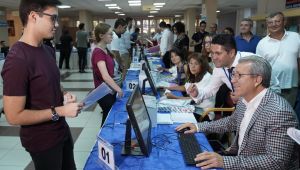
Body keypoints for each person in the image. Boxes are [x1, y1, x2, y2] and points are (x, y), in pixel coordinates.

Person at [176, 56, 299, 169]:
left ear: (257, 80)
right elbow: (232, 122)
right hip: (240, 160)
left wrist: (224, 162)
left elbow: (276, 161)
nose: (233, 80)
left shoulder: (279, 112)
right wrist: (198, 126)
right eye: (233, 74)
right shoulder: (245, 99)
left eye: (238, 75)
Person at [1, 0, 83, 169]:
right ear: (33, 16)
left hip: (61, 132)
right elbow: (13, 116)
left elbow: (50, 83)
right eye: (53, 18)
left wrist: (63, 94)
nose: (57, 24)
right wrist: (59, 111)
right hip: (42, 141)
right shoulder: (18, 59)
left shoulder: (47, 50)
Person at [187, 34, 254, 105]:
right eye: (212, 53)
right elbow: (210, 90)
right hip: (241, 108)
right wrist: (197, 93)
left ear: (231, 53)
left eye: (218, 53)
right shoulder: (218, 69)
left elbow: (264, 91)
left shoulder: (252, 61)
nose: (214, 57)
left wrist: (243, 98)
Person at [256, 12, 300, 107]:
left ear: (284, 22)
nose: (273, 24)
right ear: (267, 24)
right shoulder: (262, 43)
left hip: (292, 86)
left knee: (289, 114)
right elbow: (260, 67)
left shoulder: (296, 37)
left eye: (277, 21)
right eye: (270, 22)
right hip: (271, 87)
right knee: (272, 114)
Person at [165, 53, 215, 120]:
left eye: (196, 64)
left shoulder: (206, 77)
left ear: (202, 65)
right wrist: (168, 88)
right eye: (191, 63)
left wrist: (174, 97)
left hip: (204, 113)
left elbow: (193, 100)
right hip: (194, 107)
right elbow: (185, 87)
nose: (192, 66)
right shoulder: (195, 74)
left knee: (174, 116)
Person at [92, 23, 123, 126]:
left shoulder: (105, 50)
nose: (112, 36)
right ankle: (102, 141)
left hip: (109, 89)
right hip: (103, 92)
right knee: (107, 119)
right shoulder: (98, 52)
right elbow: (105, 76)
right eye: (110, 34)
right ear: (101, 36)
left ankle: (104, 140)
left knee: (109, 117)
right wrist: (118, 89)